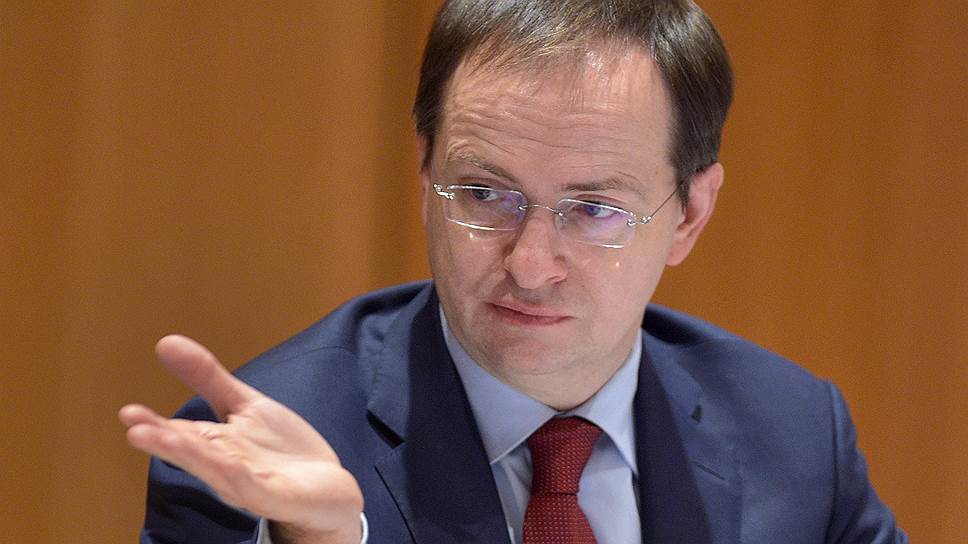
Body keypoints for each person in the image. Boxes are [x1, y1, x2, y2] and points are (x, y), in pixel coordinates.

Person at [120, 1, 908, 543]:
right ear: (424, 172)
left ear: (690, 215)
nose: (530, 264)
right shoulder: (257, 460)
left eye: (593, 208)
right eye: (484, 194)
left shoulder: (794, 434)